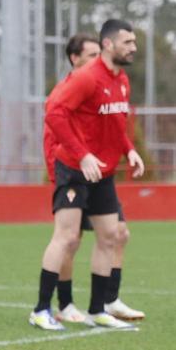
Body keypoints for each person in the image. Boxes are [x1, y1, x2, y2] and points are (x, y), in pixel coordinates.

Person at [32, 19, 145, 331]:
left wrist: (129, 149)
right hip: (74, 170)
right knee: (67, 237)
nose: (133, 48)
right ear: (109, 44)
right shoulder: (86, 78)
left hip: (103, 173)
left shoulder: (121, 79)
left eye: (134, 42)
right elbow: (54, 112)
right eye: (128, 42)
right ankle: (42, 309)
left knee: (112, 235)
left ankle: (98, 309)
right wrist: (81, 155)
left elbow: (116, 123)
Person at [42, 33, 100, 325]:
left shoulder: (92, 89)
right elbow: (52, 137)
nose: (97, 61)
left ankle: (68, 304)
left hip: (90, 173)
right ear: (74, 58)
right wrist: (57, 176)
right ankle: (52, 305)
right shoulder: (63, 92)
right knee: (66, 237)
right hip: (69, 173)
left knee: (76, 240)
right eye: (92, 55)